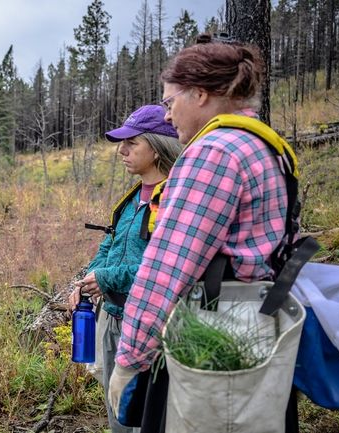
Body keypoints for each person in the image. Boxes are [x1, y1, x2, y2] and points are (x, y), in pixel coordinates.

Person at [109, 37, 293, 432]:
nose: (168, 115)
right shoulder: (264, 144)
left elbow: (167, 269)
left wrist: (129, 359)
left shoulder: (213, 153)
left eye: (170, 102)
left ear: (201, 95)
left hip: (207, 346)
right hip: (256, 335)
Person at [69, 105, 182, 433]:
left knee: (150, 418)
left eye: (132, 143)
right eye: (123, 143)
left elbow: (161, 267)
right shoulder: (131, 200)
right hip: (114, 318)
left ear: (158, 146)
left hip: (153, 328)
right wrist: (87, 279)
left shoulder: (174, 200)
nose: (122, 150)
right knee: (117, 411)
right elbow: (110, 245)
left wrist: (104, 278)